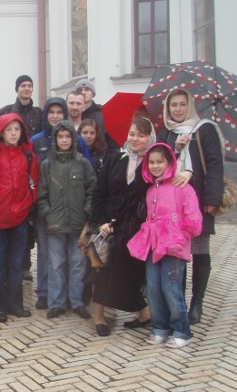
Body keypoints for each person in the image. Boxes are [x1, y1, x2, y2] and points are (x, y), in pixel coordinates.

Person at [157, 88, 224, 324]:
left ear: (190, 106)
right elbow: (158, 164)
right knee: (178, 252)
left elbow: (214, 165)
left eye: (182, 104)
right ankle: (180, 302)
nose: (178, 109)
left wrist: (212, 200)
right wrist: (175, 148)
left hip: (199, 200)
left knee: (200, 250)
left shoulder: (205, 129)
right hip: (172, 204)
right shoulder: (166, 132)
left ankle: (197, 302)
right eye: (173, 105)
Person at [127, 143, 202, 348]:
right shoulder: (151, 190)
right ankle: (160, 327)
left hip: (174, 246)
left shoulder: (182, 187)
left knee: (171, 287)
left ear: (169, 162)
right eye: (151, 162)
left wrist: (181, 235)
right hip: (154, 245)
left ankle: (182, 330)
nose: (155, 166)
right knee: (153, 287)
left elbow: (193, 219)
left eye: (160, 161)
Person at [89, 115, 156, 337]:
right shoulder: (115, 159)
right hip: (109, 227)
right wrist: (101, 222)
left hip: (135, 229)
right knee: (103, 269)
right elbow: (99, 193)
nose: (135, 139)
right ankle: (99, 316)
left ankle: (144, 312)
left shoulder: (153, 164)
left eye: (141, 135)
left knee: (130, 272)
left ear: (150, 138)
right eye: (131, 134)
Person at [30, 97, 91, 310]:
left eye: (67, 136)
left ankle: (76, 301)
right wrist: (45, 212)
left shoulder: (82, 160)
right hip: (53, 218)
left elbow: (91, 186)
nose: (64, 140)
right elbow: (40, 188)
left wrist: (86, 211)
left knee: (76, 262)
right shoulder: (43, 155)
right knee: (52, 260)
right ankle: (52, 300)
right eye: (51, 112)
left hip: (76, 218)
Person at [0, 113, 39, 323]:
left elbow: (34, 185)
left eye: (17, 129)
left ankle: (15, 304)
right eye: (9, 130)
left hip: (20, 220)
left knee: (16, 264)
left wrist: (26, 208)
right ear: (1, 133)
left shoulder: (28, 156)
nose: (14, 134)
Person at [75, 78, 120, 151]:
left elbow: (112, 143)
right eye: (80, 90)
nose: (83, 92)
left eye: (87, 90)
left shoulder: (103, 113)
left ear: (93, 94)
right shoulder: (72, 115)